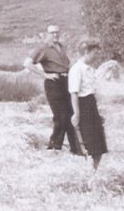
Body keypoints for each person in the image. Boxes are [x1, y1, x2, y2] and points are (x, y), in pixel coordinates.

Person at [23, 25, 82, 154]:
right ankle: (54, 147)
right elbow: (27, 63)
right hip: (53, 83)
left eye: (57, 32)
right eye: (52, 33)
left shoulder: (62, 48)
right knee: (60, 117)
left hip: (66, 82)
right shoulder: (43, 49)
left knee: (71, 115)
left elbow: (67, 65)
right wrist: (46, 75)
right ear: (47, 34)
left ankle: (76, 149)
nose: (55, 35)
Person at [69, 42, 108, 169]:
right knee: (87, 143)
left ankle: (94, 171)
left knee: (99, 146)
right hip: (82, 106)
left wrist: (97, 112)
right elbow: (74, 93)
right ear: (86, 52)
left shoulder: (91, 70)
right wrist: (76, 113)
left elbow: (92, 92)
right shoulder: (76, 69)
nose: (97, 56)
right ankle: (85, 171)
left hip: (91, 105)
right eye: (95, 53)